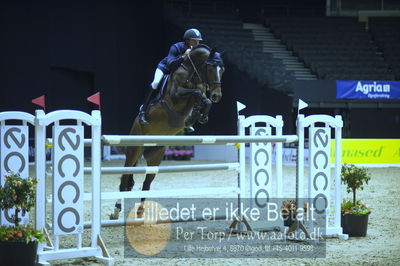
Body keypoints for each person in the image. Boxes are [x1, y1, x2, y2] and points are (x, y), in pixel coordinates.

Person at [138, 28, 203, 126]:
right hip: (165, 68)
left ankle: (189, 117)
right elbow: (170, 64)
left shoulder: (195, 51)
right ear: (188, 40)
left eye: (198, 41)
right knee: (155, 83)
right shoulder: (176, 47)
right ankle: (142, 111)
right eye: (195, 40)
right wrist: (182, 57)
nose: (197, 43)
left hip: (179, 75)